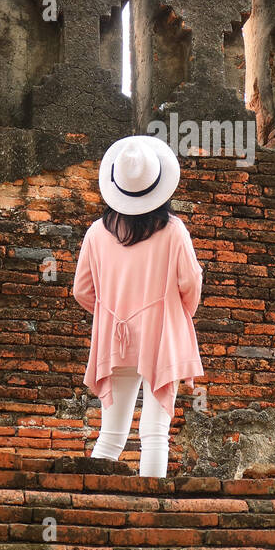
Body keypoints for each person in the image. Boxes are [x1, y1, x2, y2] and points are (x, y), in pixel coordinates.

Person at [72, 135, 205, 478]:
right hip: (160, 337)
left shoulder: (96, 233)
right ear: (158, 183)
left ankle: (92, 507)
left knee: (111, 435)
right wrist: (175, 316)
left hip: (115, 340)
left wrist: (110, 314)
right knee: (155, 434)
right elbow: (190, 284)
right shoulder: (174, 231)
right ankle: (151, 516)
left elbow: (82, 290)